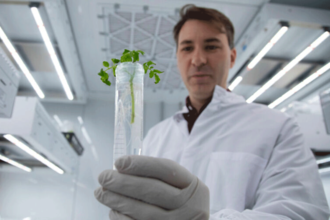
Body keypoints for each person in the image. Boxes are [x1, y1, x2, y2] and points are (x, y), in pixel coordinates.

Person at [94, 4, 330, 220]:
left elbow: (302, 215)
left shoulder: (277, 127)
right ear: (178, 58)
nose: (198, 59)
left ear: (232, 56)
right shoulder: (156, 136)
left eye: (211, 46)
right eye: (187, 48)